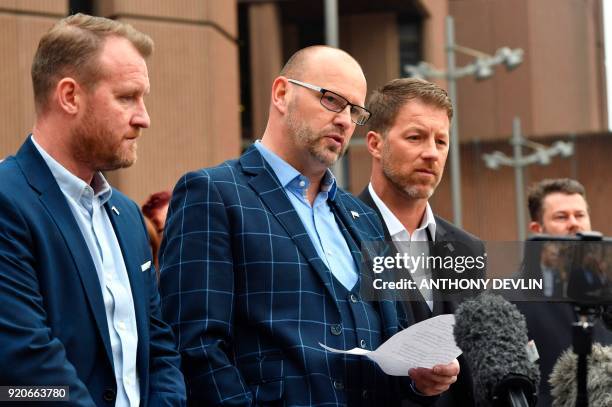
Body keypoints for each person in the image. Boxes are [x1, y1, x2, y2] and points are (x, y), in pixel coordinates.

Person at [159, 46, 459, 406]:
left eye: (355, 111)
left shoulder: (362, 219)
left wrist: (417, 380)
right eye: (332, 100)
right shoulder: (214, 193)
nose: (346, 120)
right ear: (282, 94)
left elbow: (389, 350)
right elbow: (195, 347)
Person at [0, 14, 186, 406]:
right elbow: (25, 374)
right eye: (126, 97)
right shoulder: (7, 203)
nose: (144, 118)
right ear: (69, 96)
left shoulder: (128, 217)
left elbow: (160, 348)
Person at [358, 77, 484, 406]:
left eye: (441, 141)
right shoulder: (337, 234)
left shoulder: (468, 248)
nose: (431, 153)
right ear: (375, 143)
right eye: (415, 137)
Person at [516, 178, 612, 406]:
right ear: (537, 229)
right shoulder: (511, 299)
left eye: (580, 215)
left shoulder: (606, 293)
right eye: (561, 217)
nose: (574, 224)